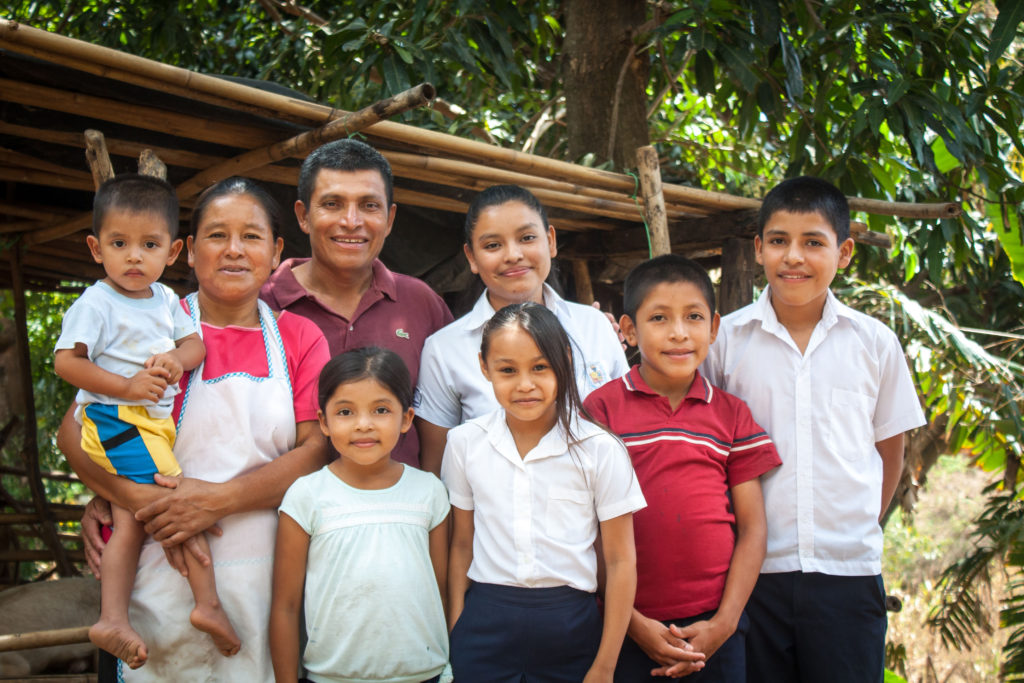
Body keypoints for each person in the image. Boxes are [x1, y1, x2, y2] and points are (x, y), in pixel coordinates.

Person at [63, 177, 331, 682]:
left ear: (276, 252)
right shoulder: (143, 324)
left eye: (251, 237)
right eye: (216, 235)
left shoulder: (298, 337)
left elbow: (314, 449)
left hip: (264, 571)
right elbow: (73, 432)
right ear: (186, 252)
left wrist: (219, 499)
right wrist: (136, 500)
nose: (233, 250)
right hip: (152, 566)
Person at [702, 176, 926, 682]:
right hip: (752, 577)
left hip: (847, 575)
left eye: (813, 242)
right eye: (779, 241)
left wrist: (859, 522)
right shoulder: (726, 341)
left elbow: (891, 445)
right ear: (758, 249)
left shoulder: (873, 342)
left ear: (844, 252)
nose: (793, 257)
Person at [54, 173, 235, 669]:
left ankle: (112, 616)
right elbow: (66, 363)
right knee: (175, 501)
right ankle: (208, 604)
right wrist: (128, 387)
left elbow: (194, 343)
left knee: (133, 518)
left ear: (173, 251)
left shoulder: (165, 301)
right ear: (96, 248)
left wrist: (180, 360)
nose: (134, 256)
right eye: (119, 243)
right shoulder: (95, 303)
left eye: (149, 244)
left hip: (148, 422)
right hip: (115, 419)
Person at [583, 255, 782, 682]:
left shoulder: (730, 414)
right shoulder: (601, 410)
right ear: (629, 329)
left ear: (713, 327)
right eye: (659, 318)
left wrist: (725, 623)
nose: (678, 333)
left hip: (714, 629)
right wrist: (632, 624)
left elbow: (753, 529)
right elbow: (584, 529)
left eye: (693, 317)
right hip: (621, 624)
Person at [442, 302, 646, 682]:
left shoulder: (600, 449)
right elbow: (461, 544)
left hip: (571, 626)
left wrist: (604, 666)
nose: (524, 384)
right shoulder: (464, 444)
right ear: (484, 367)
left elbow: (620, 562)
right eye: (507, 370)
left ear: (565, 361)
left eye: (540, 367)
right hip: (485, 622)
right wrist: (458, 626)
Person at [260, 139, 453, 468]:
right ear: (303, 215)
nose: (351, 221)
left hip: (408, 513)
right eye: (332, 204)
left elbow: (450, 421)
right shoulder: (262, 305)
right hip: (285, 515)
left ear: (390, 219)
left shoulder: (421, 303)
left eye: (369, 205)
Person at [415, 184, 629, 475]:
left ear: (551, 241)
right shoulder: (445, 349)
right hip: (490, 519)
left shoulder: (594, 327)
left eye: (527, 238)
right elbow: (438, 471)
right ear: (471, 258)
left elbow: (628, 432)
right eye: (493, 245)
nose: (513, 255)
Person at [270, 348, 450, 683]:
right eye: (345, 412)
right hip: (331, 676)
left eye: (381, 410)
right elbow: (285, 607)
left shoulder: (429, 492)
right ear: (323, 421)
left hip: (424, 674)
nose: (363, 424)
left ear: (406, 419)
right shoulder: (306, 496)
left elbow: (440, 591)